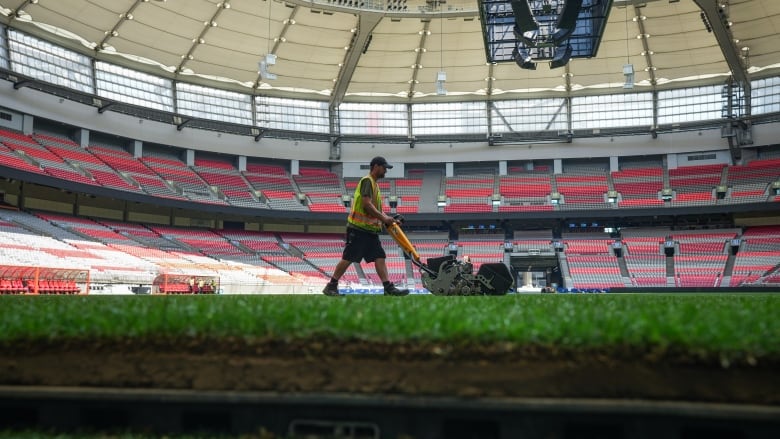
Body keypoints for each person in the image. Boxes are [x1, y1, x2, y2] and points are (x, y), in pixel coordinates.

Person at [323, 156, 410, 297]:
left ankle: (388, 287)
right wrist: (384, 218)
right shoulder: (367, 181)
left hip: (369, 231)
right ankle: (331, 286)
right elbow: (367, 205)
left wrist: (389, 219)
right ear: (376, 166)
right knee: (348, 257)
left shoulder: (374, 185)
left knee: (380, 256)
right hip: (358, 229)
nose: (385, 171)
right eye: (384, 168)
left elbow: (375, 209)